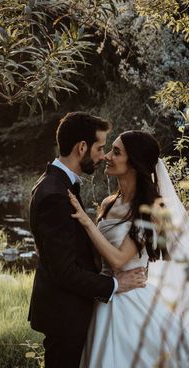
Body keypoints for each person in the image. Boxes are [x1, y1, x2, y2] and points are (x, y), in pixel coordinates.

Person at [28, 112, 146, 367]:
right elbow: (64, 271)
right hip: (65, 315)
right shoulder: (54, 193)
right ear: (82, 147)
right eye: (100, 147)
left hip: (76, 311)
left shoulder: (59, 185)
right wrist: (115, 285)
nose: (103, 155)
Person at [69, 130, 189, 367]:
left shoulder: (150, 211)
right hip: (102, 296)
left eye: (116, 152)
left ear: (134, 163)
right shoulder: (108, 202)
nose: (107, 157)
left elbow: (118, 260)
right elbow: (98, 255)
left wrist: (84, 220)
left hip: (130, 304)